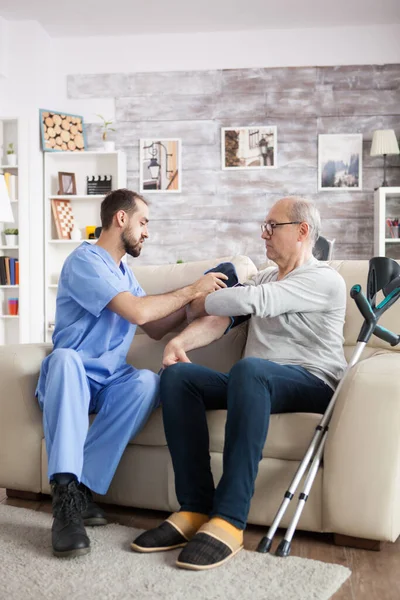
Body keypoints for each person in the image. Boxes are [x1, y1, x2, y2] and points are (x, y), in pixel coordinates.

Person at [131, 196, 347, 571]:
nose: (264, 234)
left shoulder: (324, 279)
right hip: (258, 380)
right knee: (180, 376)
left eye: (272, 226)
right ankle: (195, 509)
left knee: (251, 369)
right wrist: (178, 342)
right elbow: (217, 315)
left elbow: (252, 300)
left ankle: (230, 520)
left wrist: (208, 299)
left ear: (302, 231)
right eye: (263, 226)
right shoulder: (263, 276)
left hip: (313, 380)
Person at [36, 188, 228, 558]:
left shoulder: (125, 272)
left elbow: (155, 327)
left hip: (108, 381)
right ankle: (64, 500)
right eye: (143, 222)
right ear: (120, 219)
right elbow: (139, 313)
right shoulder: (85, 261)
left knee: (145, 381)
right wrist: (190, 287)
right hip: (71, 379)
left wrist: (195, 303)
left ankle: (82, 491)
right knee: (63, 359)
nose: (147, 232)